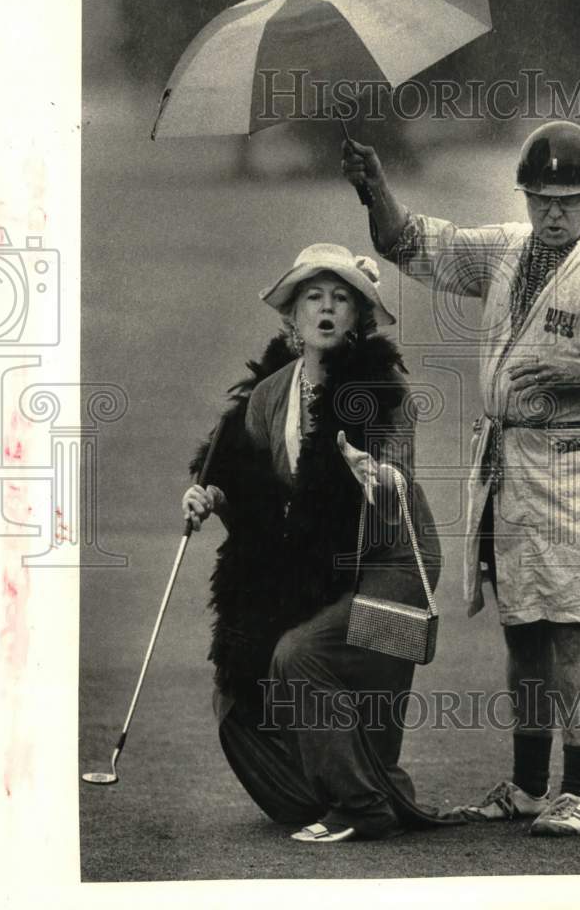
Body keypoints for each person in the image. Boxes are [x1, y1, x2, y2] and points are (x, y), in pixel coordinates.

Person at [341, 121, 580, 836]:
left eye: (569, 199)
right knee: (522, 626)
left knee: (577, 628)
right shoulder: (504, 251)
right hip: (508, 467)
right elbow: (415, 245)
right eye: (540, 198)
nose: (553, 213)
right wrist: (377, 189)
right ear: (524, 195)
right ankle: (530, 787)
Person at [182, 243, 456, 843]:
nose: (326, 309)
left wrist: (372, 472)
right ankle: (331, 791)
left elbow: (397, 478)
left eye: (341, 299)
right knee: (241, 678)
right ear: (293, 316)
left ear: (358, 318)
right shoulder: (269, 395)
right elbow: (246, 486)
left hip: (393, 562)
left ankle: (362, 804)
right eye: (314, 297)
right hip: (317, 564)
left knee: (304, 655)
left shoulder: (383, 392)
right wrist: (212, 498)